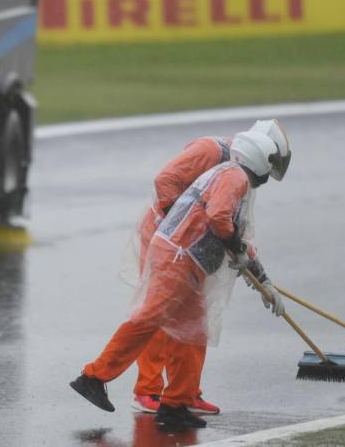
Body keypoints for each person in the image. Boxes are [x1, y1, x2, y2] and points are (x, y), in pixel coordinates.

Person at [72, 129, 289, 432]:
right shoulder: (235, 176)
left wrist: (265, 283)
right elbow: (218, 217)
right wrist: (238, 248)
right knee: (148, 319)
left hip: (186, 261)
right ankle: (93, 377)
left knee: (192, 330)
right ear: (261, 160)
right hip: (177, 258)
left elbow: (232, 229)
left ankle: (175, 405)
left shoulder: (232, 175)